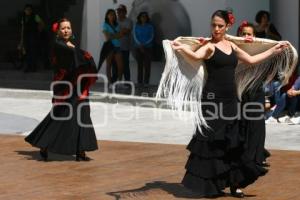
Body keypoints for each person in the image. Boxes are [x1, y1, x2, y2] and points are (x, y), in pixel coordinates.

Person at [171, 10, 289, 198]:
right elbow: (195, 56)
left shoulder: (232, 46)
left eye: (220, 26)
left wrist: (273, 51)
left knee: (233, 141)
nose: (216, 29)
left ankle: (234, 183)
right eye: (213, 25)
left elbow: (250, 60)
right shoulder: (208, 46)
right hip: (212, 100)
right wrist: (181, 48)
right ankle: (210, 186)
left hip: (230, 100)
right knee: (211, 143)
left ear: (227, 27)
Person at [25, 18, 98, 161]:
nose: (66, 30)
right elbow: (75, 57)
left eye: (68, 28)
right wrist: (87, 56)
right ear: (58, 31)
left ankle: (80, 150)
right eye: (63, 28)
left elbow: (79, 58)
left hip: (78, 85)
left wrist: (85, 57)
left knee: (82, 114)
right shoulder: (58, 45)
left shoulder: (72, 46)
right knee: (62, 115)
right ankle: (44, 143)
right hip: (65, 87)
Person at [237, 21, 271, 167]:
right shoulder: (235, 48)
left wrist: (268, 98)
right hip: (240, 93)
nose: (246, 36)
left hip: (256, 92)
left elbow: (266, 76)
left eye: (249, 34)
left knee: (257, 126)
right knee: (242, 125)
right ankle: (245, 156)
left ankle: (258, 155)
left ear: (254, 36)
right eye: (243, 34)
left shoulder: (261, 52)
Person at [20, 4, 45, 72]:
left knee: (33, 51)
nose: (28, 11)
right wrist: (22, 39)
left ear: (31, 10)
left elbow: (42, 23)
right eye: (26, 9)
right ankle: (28, 66)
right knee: (27, 51)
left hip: (33, 35)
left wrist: (38, 30)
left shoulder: (35, 16)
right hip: (26, 36)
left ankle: (33, 67)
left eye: (29, 9)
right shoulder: (23, 17)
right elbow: (23, 28)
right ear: (25, 10)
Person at [102, 9, 124, 87]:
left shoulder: (117, 25)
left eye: (113, 14)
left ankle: (119, 82)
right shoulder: (105, 25)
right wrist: (116, 35)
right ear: (107, 16)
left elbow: (121, 35)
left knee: (121, 66)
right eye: (110, 14)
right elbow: (108, 37)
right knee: (109, 65)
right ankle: (110, 83)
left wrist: (113, 35)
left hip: (117, 47)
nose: (112, 16)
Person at [133, 11, 154, 86]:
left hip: (148, 48)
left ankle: (146, 82)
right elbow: (135, 36)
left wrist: (144, 44)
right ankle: (139, 82)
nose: (143, 18)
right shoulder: (136, 26)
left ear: (147, 18)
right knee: (140, 65)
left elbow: (152, 37)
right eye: (142, 16)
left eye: (145, 16)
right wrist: (140, 44)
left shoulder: (150, 26)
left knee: (147, 65)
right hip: (138, 48)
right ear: (139, 17)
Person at [116, 4, 133, 84]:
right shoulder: (114, 21)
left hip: (125, 47)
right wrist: (122, 31)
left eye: (121, 11)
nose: (119, 13)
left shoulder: (129, 21)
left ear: (125, 12)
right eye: (118, 11)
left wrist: (119, 32)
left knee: (126, 65)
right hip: (115, 47)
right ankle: (116, 82)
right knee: (116, 65)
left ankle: (127, 82)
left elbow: (127, 31)